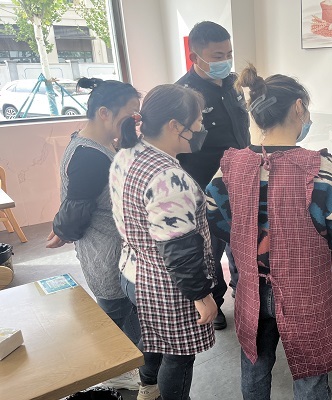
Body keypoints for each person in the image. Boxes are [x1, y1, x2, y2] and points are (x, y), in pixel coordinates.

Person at [205, 64, 332, 399]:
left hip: (250, 288)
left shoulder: (229, 166)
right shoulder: (321, 169)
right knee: (310, 374)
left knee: (254, 365)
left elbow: (214, 218)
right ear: (298, 107)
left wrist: (246, 241)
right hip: (306, 292)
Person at [110, 84, 218, 400]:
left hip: (131, 271)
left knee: (152, 337)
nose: (200, 130)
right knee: (179, 355)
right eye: (197, 123)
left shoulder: (127, 155)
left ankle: (147, 387)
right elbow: (179, 250)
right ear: (174, 125)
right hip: (166, 284)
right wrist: (201, 295)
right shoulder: (169, 177)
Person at [47, 77, 142, 391]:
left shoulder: (97, 142)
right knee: (115, 316)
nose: (135, 120)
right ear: (104, 113)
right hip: (106, 252)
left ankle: (130, 367)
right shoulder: (90, 156)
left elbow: (80, 197)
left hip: (112, 248)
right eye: (131, 113)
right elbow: (76, 208)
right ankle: (114, 374)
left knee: (126, 313)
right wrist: (62, 229)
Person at [176, 21, 251, 329]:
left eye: (229, 54)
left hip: (240, 181)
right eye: (218, 56)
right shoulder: (183, 95)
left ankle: (243, 295)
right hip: (204, 185)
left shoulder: (234, 84)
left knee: (242, 244)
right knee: (209, 250)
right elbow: (179, 147)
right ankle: (215, 302)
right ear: (195, 57)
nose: (226, 61)